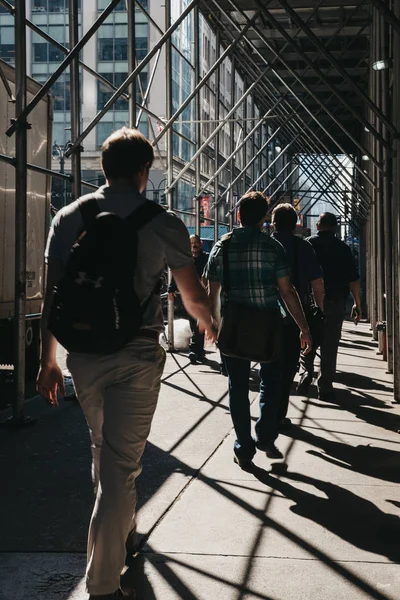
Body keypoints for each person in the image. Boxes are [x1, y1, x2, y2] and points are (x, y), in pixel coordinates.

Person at [36, 127, 216, 600]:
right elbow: (191, 292)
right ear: (144, 171)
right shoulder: (162, 222)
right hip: (135, 355)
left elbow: (53, 296)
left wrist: (46, 360)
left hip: (84, 358)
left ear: (103, 168)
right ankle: (101, 585)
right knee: (120, 467)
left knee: (106, 454)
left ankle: (124, 531)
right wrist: (208, 323)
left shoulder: (70, 216)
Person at [206, 192, 312, 470]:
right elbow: (287, 291)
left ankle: (243, 447)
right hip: (268, 323)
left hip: (234, 325)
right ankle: (265, 432)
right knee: (272, 379)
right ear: (264, 218)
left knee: (237, 386)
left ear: (238, 215)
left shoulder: (222, 246)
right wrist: (303, 327)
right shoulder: (272, 248)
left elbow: (213, 292)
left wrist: (213, 325)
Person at [271, 203, 325, 430]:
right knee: (288, 366)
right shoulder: (303, 247)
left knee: (269, 365)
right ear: (296, 224)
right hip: (295, 315)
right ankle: (279, 415)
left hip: (265, 313)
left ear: (273, 223)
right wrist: (318, 311)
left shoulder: (266, 245)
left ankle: (268, 415)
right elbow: (317, 283)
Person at [298, 212, 361, 400]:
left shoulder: (306, 245)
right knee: (330, 342)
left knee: (307, 337)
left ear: (318, 226)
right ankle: (325, 385)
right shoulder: (342, 248)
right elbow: (353, 279)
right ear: (335, 228)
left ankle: (306, 371)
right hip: (334, 301)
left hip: (308, 301)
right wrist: (357, 303)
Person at [168, 234, 209, 363]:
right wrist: (171, 289)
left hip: (204, 296)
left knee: (199, 323)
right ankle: (198, 351)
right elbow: (177, 273)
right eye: (191, 243)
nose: (194, 245)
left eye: (196, 243)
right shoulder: (185, 259)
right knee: (194, 324)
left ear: (200, 244)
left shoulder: (206, 258)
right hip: (190, 296)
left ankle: (195, 350)